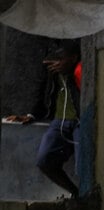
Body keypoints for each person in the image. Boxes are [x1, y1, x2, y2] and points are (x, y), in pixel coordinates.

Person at [36, 40, 81, 197]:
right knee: (44, 159)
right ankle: (75, 193)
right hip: (60, 119)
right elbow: (41, 85)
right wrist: (32, 113)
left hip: (79, 120)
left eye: (63, 57)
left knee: (82, 166)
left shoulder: (78, 70)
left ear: (74, 58)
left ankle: (85, 197)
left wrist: (70, 72)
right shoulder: (53, 69)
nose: (58, 61)